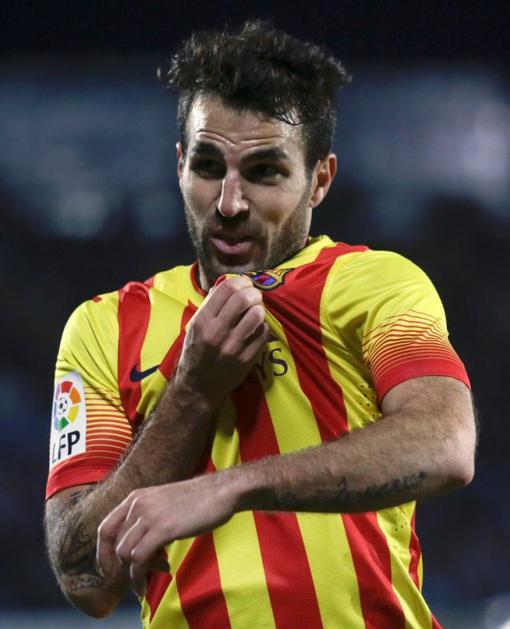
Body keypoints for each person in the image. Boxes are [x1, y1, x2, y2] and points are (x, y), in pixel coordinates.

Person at [44, 21, 476, 629]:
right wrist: (192, 393)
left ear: (319, 180)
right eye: (208, 166)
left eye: (264, 171)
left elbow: (445, 445)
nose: (229, 203)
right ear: (180, 166)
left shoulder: (372, 284)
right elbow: (83, 577)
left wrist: (229, 488)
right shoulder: (104, 326)